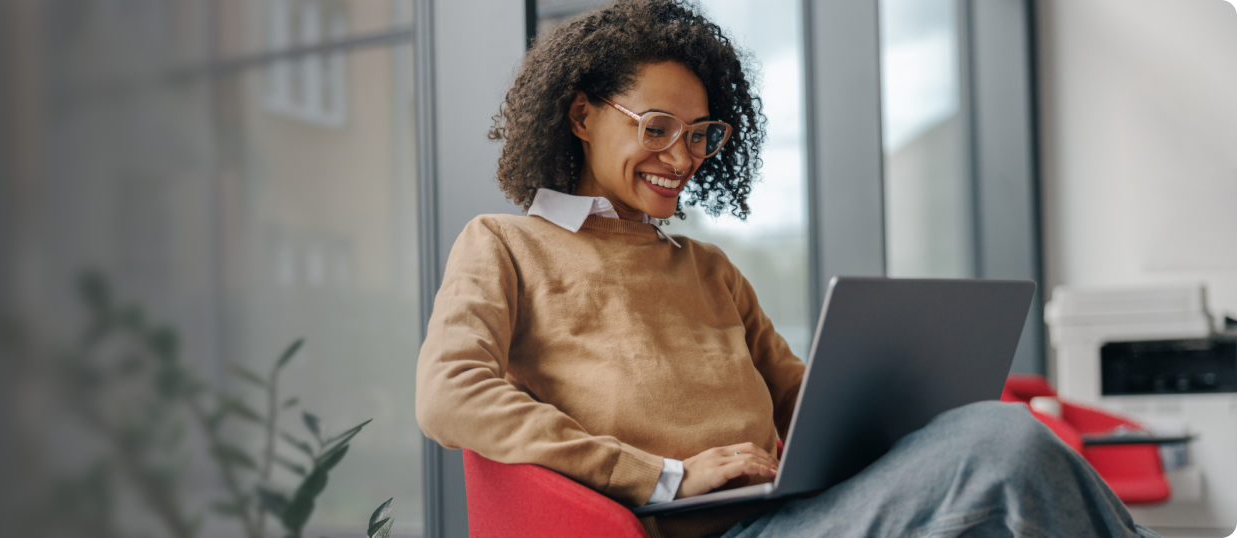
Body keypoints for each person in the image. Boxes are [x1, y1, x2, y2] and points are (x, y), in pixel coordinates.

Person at [414, 1, 1158, 537]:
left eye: (700, 133)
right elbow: (449, 396)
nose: (681, 157)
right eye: (656, 128)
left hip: (793, 513)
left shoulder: (707, 270)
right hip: (694, 530)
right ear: (580, 116)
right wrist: (661, 476)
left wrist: (912, 398)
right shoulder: (505, 244)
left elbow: (808, 402)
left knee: (997, 447)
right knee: (1007, 443)